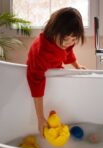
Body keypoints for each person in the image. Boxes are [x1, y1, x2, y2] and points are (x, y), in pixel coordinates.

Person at [26, 7, 86, 137]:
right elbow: (36, 82)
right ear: (54, 31)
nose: (69, 43)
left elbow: (68, 52)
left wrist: (77, 65)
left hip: (54, 64)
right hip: (40, 67)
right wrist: (40, 117)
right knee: (37, 78)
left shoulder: (66, 42)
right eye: (66, 39)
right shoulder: (41, 52)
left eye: (74, 39)